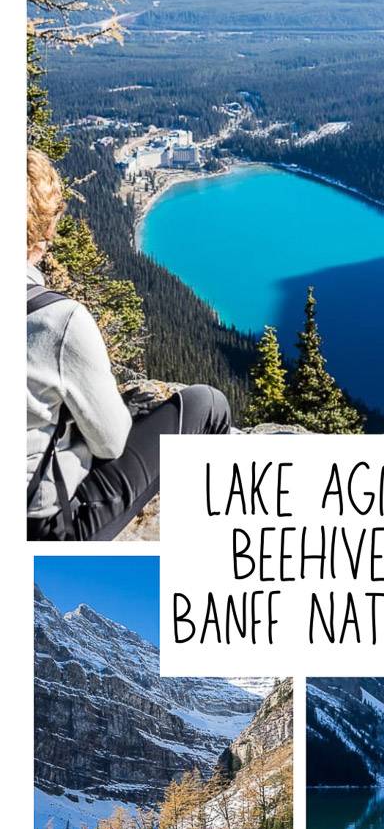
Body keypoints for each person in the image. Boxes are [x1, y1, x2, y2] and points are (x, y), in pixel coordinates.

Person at [27, 148, 231, 541]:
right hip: (45, 529)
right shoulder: (57, 320)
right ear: (42, 234)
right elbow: (111, 441)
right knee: (206, 404)